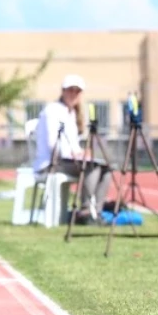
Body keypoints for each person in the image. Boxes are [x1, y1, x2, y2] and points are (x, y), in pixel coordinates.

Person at [34, 75, 113, 225]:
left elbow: (73, 145)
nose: (73, 94)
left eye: (77, 91)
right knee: (92, 168)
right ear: (63, 91)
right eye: (70, 90)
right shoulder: (53, 110)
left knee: (106, 170)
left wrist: (82, 153)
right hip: (51, 163)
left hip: (68, 160)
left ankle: (96, 211)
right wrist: (75, 154)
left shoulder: (71, 114)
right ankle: (84, 211)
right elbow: (53, 144)